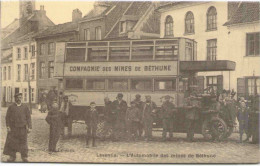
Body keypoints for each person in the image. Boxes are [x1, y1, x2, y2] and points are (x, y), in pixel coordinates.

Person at [3, 93, 32, 162]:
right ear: (15, 98)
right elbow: (7, 117)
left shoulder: (25, 107)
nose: (19, 99)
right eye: (17, 97)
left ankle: (24, 156)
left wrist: (30, 127)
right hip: (13, 128)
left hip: (22, 128)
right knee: (12, 143)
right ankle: (12, 156)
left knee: (23, 143)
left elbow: (28, 118)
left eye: (20, 97)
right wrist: (8, 126)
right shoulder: (11, 107)